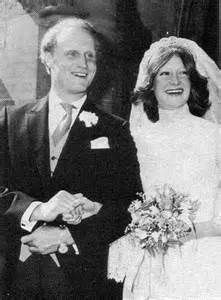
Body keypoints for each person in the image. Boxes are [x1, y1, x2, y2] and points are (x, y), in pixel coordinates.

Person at [0, 17, 141, 299]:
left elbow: (130, 205)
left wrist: (68, 235)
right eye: (73, 53)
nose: (84, 64)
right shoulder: (10, 121)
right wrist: (38, 211)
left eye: (90, 56)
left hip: (82, 279)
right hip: (14, 275)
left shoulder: (117, 130)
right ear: (48, 59)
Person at [108, 36, 221, 299]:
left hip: (207, 256)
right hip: (153, 260)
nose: (175, 81)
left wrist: (196, 231)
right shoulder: (136, 139)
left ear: (193, 81)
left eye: (183, 73)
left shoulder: (214, 136)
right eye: (165, 73)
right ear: (150, 83)